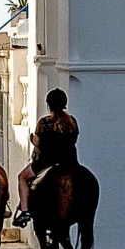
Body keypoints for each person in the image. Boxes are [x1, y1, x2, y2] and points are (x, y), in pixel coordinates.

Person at [16, 87, 80, 224]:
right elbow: (74, 140)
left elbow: (37, 142)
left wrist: (32, 139)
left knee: (22, 177)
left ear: (49, 105)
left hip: (47, 161)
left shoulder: (44, 122)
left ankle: (25, 210)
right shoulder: (72, 121)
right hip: (70, 161)